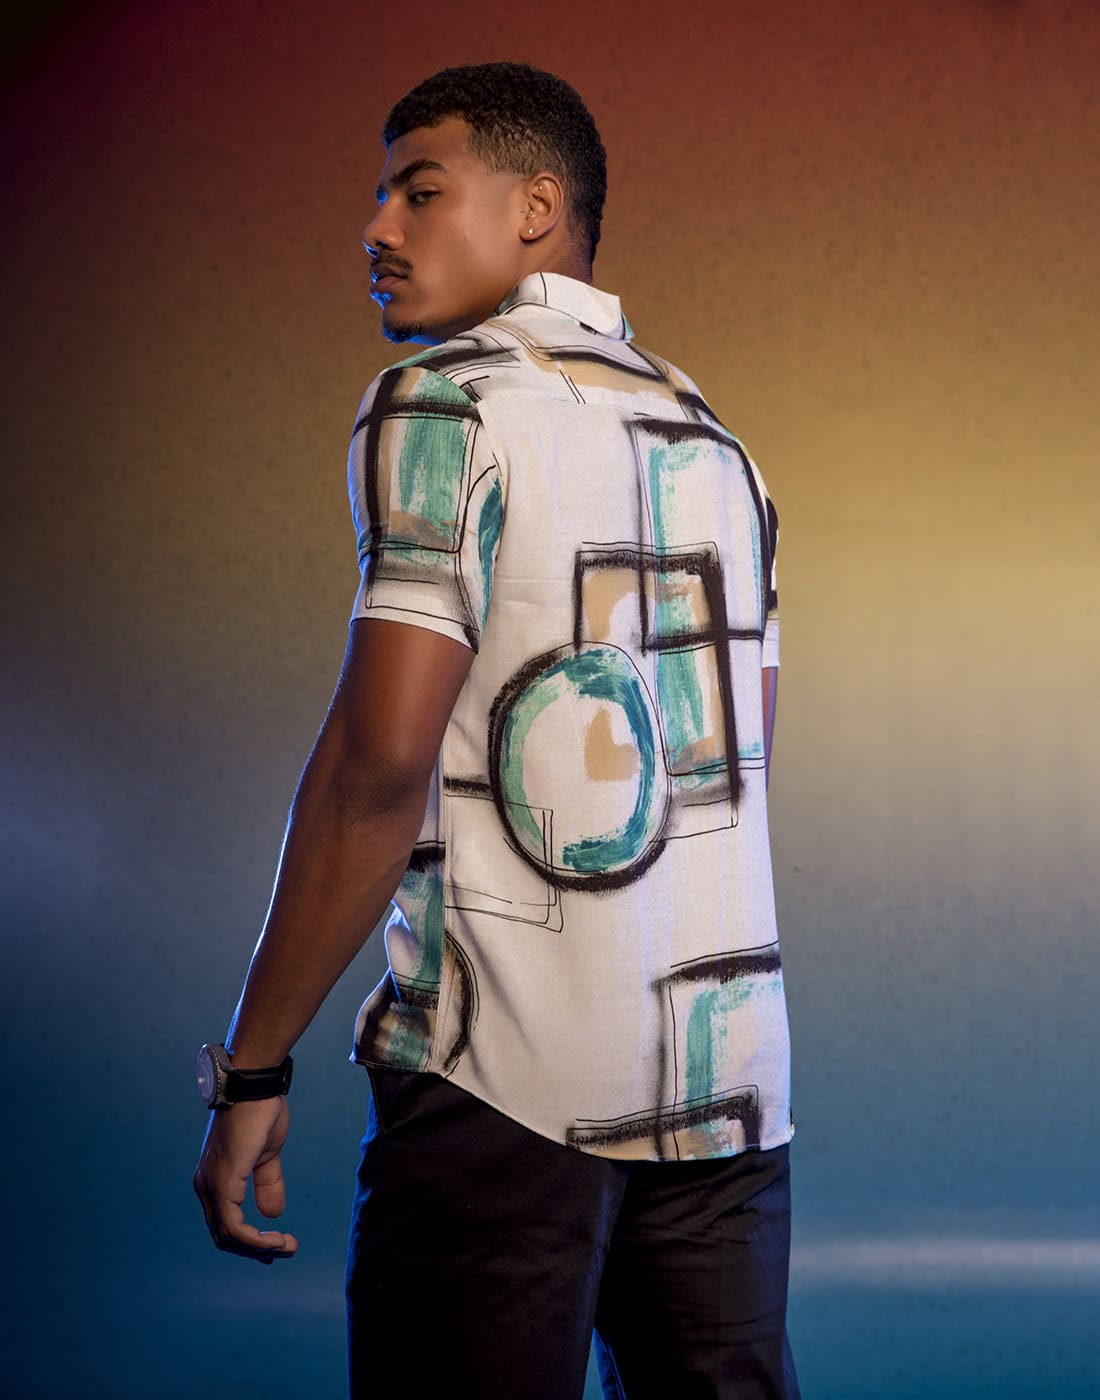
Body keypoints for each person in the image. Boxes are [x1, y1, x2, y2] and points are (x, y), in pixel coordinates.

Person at [193, 61, 799, 1400]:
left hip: (501, 1081)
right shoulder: (720, 446)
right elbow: (735, 769)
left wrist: (252, 1068)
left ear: (535, 208)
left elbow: (375, 770)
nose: (376, 228)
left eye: (418, 191)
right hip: (729, 1083)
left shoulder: (442, 405)